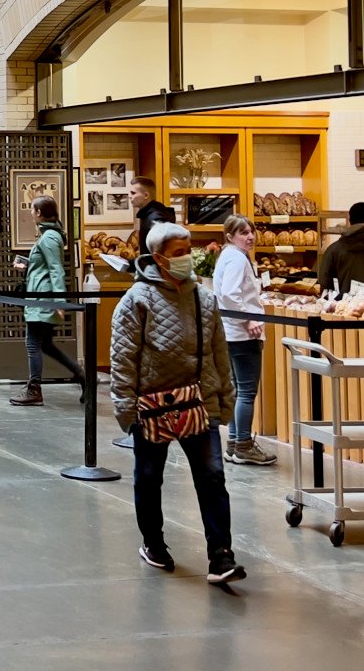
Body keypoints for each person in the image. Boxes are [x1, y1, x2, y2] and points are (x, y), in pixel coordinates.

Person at [111, 221, 243, 585]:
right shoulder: (136, 301)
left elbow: (219, 352)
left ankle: (221, 555)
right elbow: (123, 359)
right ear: (158, 258)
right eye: (179, 253)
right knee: (150, 477)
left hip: (199, 404)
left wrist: (224, 399)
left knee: (212, 476)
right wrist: (126, 407)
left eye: (190, 250)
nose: (188, 258)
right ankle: (153, 542)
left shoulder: (204, 298)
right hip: (150, 406)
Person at [9, 195, 84, 406]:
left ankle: (34, 389)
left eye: (32, 210)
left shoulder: (50, 237)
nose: (31, 213)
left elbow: (56, 269)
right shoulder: (50, 235)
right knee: (47, 345)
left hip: (42, 298)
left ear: (39, 213)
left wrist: (59, 301)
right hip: (41, 295)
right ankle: (81, 374)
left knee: (32, 344)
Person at [212, 215, 275, 466]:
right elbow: (229, 293)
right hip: (242, 334)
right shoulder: (237, 258)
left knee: (237, 389)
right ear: (229, 236)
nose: (249, 237)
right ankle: (244, 446)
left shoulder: (229, 255)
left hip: (229, 331)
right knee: (247, 391)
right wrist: (247, 319)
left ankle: (234, 443)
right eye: (242, 233)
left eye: (251, 232)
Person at [127, 176, 176, 257]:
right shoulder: (148, 214)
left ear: (146, 195)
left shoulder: (155, 218)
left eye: (133, 193)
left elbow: (160, 255)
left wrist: (132, 264)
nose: (129, 196)